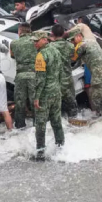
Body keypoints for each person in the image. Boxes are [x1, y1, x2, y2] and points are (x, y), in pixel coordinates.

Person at [69, 27, 102, 114]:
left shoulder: (81, 46)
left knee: (96, 101)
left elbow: (72, 59)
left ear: (78, 37)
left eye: (72, 40)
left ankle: (100, 120)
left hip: (99, 77)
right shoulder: (92, 41)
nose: (72, 43)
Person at [32, 31, 64, 161]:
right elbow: (61, 72)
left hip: (45, 93)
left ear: (44, 40)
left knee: (40, 124)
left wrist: (36, 97)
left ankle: (40, 152)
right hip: (56, 91)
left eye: (36, 41)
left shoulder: (41, 55)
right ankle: (61, 148)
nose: (34, 43)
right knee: (57, 122)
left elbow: (40, 79)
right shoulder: (56, 51)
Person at [9, 23, 36, 128]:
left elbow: (12, 55)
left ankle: (20, 127)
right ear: (30, 31)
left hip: (20, 75)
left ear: (19, 31)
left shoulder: (14, 43)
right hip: (35, 75)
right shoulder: (36, 42)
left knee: (20, 103)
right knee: (36, 101)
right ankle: (38, 126)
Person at [49, 24, 77, 118]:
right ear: (63, 33)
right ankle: (75, 122)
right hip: (68, 78)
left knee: (56, 107)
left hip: (56, 80)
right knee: (72, 104)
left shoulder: (50, 47)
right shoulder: (70, 46)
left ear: (52, 33)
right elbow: (73, 58)